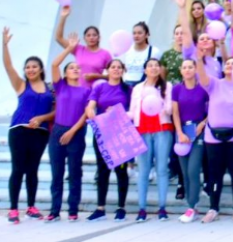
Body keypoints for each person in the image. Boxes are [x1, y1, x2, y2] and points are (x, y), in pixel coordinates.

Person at [3, 28, 53, 224]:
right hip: (19, 131)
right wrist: (5, 44)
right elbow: (7, 66)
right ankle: (14, 209)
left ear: (40, 68)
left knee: (33, 169)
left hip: (40, 133)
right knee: (18, 169)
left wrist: (42, 118)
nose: (30, 70)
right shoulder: (21, 85)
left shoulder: (50, 88)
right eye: (27, 67)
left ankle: (31, 207)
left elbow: (55, 112)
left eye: (34, 66)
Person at [196, 54, 233, 223]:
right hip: (213, 137)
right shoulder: (214, 84)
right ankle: (213, 209)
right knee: (215, 174)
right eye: (227, 63)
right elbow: (202, 76)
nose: (230, 65)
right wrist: (199, 58)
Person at [46, 34, 90, 222]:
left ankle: (73, 210)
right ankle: (54, 210)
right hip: (57, 131)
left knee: (74, 171)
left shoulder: (86, 90)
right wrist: (69, 48)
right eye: (71, 67)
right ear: (66, 73)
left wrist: (72, 131)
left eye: (77, 68)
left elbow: (86, 114)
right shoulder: (61, 86)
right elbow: (54, 65)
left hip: (76, 132)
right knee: (57, 173)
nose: (75, 69)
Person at [85, 60, 131, 222]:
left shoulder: (128, 89)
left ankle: (121, 208)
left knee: (121, 171)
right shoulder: (99, 87)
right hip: (102, 134)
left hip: (120, 135)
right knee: (103, 170)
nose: (116, 70)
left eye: (119, 67)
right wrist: (93, 114)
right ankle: (100, 208)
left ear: (123, 70)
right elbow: (90, 107)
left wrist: (119, 112)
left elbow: (133, 111)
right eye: (113, 67)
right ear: (108, 70)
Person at [128, 59, 173, 222]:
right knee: (143, 171)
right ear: (145, 70)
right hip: (142, 131)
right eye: (150, 66)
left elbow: (169, 110)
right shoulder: (138, 88)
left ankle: (162, 207)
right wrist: (116, 114)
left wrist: (158, 100)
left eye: (156, 65)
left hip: (162, 130)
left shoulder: (167, 87)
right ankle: (142, 208)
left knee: (161, 168)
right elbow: (133, 112)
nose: (154, 68)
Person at [171, 59, 208, 223]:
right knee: (185, 172)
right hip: (182, 133)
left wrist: (203, 123)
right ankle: (191, 206)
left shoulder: (203, 89)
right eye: (184, 67)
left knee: (193, 170)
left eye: (190, 67)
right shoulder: (177, 89)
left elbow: (212, 109)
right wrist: (179, 132)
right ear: (181, 70)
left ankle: (192, 206)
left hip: (198, 132)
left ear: (195, 69)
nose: (187, 70)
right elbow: (175, 112)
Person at [54, 6, 111, 88]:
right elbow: (58, 38)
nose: (91, 37)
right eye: (88, 35)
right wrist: (63, 17)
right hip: (77, 90)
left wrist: (96, 76)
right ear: (84, 38)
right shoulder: (78, 49)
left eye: (94, 35)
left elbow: (113, 75)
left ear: (99, 38)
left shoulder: (105, 54)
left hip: (94, 93)